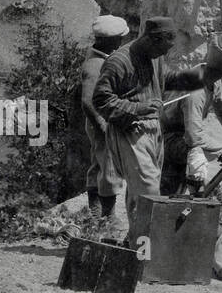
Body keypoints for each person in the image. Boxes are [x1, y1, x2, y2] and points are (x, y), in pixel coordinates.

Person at [93, 16, 188, 247]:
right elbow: (100, 99)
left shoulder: (153, 57)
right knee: (147, 190)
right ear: (152, 39)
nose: (163, 55)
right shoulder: (119, 61)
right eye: (163, 48)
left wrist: (199, 77)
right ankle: (142, 249)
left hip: (153, 131)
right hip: (130, 130)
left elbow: (164, 80)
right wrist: (137, 108)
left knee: (140, 192)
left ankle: (135, 242)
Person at [160, 65, 222, 195]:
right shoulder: (195, 90)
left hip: (181, 138)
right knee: (197, 160)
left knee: (176, 191)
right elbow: (193, 136)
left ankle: (191, 201)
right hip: (167, 139)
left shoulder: (212, 79)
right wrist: (221, 150)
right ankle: (196, 200)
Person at [80, 15, 129, 220]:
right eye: (119, 38)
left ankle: (96, 215)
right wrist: (103, 126)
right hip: (101, 121)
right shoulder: (95, 65)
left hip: (102, 120)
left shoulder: (103, 58)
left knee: (99, 164)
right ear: (111, 40)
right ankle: (106, 217)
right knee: (109, 167)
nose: (122, 41)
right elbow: (88, 102)